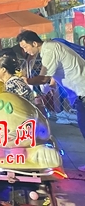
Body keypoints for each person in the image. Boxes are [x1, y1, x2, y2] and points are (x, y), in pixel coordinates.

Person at [17, 30, 85, 171]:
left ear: (34, 43)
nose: (25, 51)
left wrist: (26, 80)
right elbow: (51, 77)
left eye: (25, 47)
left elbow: (44, 78)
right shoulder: (50, 48)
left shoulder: (49, 49)